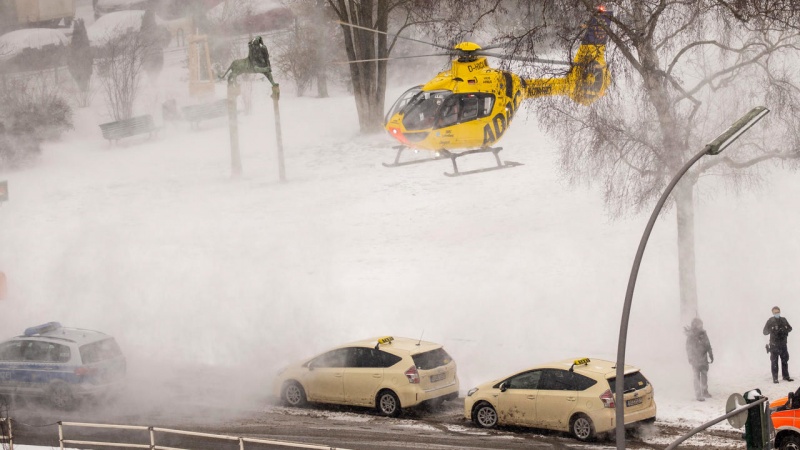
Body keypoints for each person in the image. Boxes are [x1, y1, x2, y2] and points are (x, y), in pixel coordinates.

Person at [685, 318, 714, 401]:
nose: (701, 326)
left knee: (704, 375)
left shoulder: (704, 334)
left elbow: (708, 344)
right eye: (699, 324)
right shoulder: (691, 336)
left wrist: (711, 354)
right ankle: (698, 394)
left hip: (703, 359)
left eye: (701, 324)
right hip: (695, 359)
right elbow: (688, 348)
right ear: (694, 325)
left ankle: (705, 391)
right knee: (696, 377)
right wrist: (690, 357)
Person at [764, 306, 793, 383]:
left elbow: (790, 328)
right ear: (772, 313)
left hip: (783, 344)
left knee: (785, 360)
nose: (776, 313)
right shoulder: (770, 321)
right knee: (774, 362)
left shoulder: (783, 320)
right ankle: (775, 378)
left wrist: (784, 329)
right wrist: (772, 329)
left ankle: (786, 376)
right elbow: (764, 332)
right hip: (774, 345)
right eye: (775, 312)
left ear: (780, 311)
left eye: (778, 312)